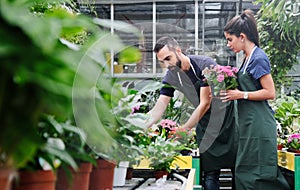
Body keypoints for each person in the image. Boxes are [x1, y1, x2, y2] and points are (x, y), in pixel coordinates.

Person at [147, 35, 238, 190]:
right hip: (205, 122)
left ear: (178, 51)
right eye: (162, 62)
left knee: (237, 170)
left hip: (227, 120)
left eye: (168, 58)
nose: (167, 65)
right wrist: (142, 125)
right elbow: (161, 103)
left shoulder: (205, 65)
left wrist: (184, 129)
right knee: (210, 172)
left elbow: (205, 102)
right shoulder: (171, 75)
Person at [222, 10, 290, 190]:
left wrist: (241, 94)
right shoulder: (246, 59)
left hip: (259, 125)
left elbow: (270, 92)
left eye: (230, 39)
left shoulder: (258, 58)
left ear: (242, 36)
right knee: (245, 171)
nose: (228, 44)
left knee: (259, 174)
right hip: (248, 125)